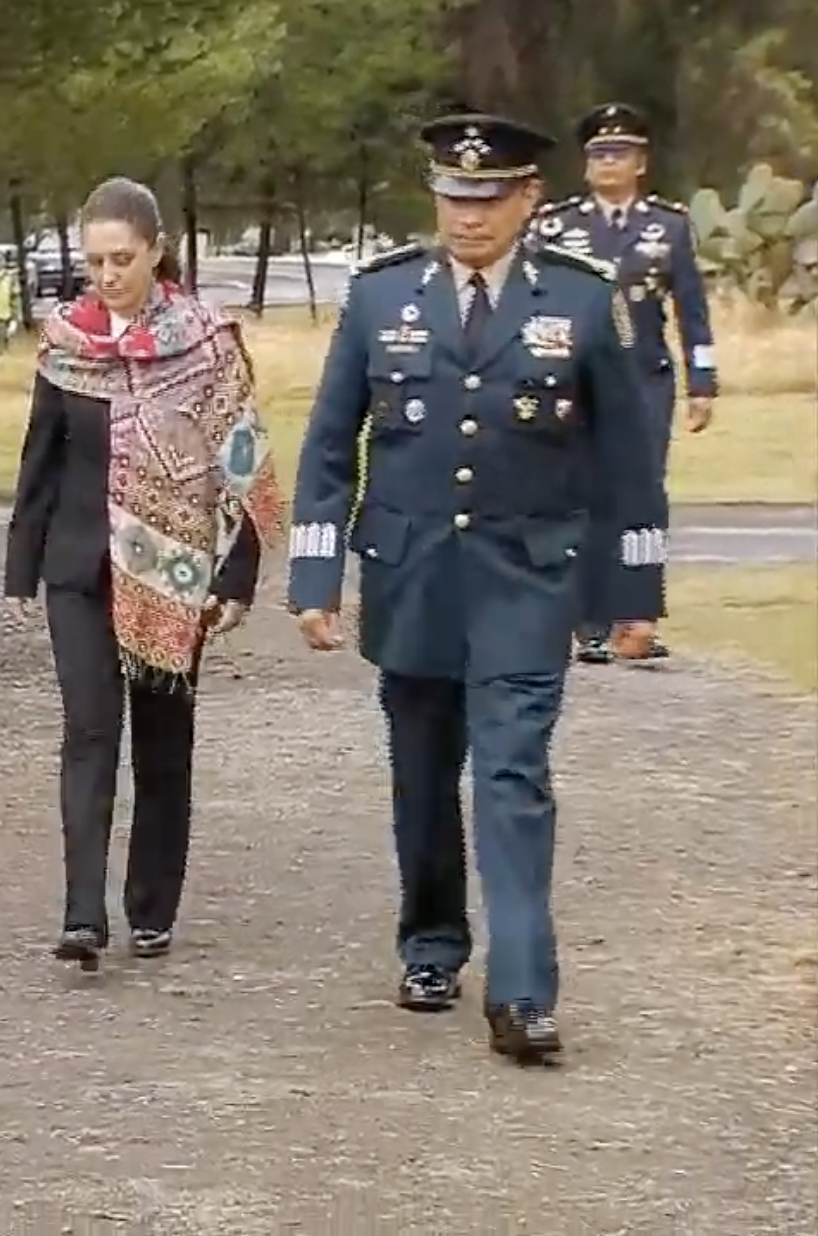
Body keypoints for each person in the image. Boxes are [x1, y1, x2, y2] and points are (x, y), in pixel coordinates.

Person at [287, 113, 666, 1063]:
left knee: (513, 779)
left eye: (489, 197)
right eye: (454, 197)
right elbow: (331, 446)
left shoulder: (580, 303)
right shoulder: (381, 299)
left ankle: (523, 990)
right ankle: (430, 943)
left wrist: (636, 594)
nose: (468, 215)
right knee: (422, 779)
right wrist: (314, 573)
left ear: (529, 197)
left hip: (527, 584)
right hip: (412, 579)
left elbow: (627, 465)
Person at [3, 177, 278, 972]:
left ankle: (151, 905)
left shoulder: (206, 343)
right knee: (89, 731)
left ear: (157, 252)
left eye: (122, 258)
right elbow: (40, 457)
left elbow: (245, 464)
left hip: (174, 568)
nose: (107, 275)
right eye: (94, 261)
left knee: (162, 741)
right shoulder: (66, 343)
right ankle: (81, 913)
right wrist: (23, 566)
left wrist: (239, 574)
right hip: (80, 566)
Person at [531, 102, 716, 666]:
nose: (608, 163)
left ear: (641, 162)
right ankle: (587, 622)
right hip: (577, 382)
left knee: (641, 495)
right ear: (586, 164)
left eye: (620, 153)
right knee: (580, 493)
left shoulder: (669, 226)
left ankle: (637, 616)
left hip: (643, 381)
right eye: (598, 154)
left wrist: (703, 380)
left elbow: (691, 308)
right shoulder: (558, 225)